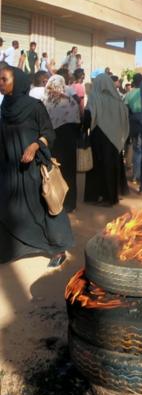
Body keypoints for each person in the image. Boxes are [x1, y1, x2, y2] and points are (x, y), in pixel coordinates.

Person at [0, 67, 74, 267]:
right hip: (10, 166)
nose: (0, 83)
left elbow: (49, 133)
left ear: (18, 82)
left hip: (33, 167)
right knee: (8, 207)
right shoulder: (5, 106)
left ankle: (59, 247)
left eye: (4, 79)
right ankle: (11, 248)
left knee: (43, 206)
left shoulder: (34, 107)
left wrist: (34, 146)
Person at [84, 73, 129, 205]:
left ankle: (94, 195)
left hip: (99, 136)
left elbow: (89, 115)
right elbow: (125, 120)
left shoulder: (94, 97)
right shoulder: (118, 100)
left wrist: (83, 129)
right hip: (115, 139)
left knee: (97, 167)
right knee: (111, 167)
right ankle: (111, 197)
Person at [43, 74, 80, 212]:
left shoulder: (44, 102)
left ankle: (52, 202)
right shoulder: (71, 102)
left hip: (50, 143)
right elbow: (77, 124)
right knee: (69, 172)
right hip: (68, 143)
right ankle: (69, 204)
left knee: (51, 172)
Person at [124, 73, 142, 184]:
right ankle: (139, 176)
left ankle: (136, 176)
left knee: (136, 149)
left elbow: (126, 109)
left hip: (133, 122)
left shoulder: (129, 94)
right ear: (141, 81)